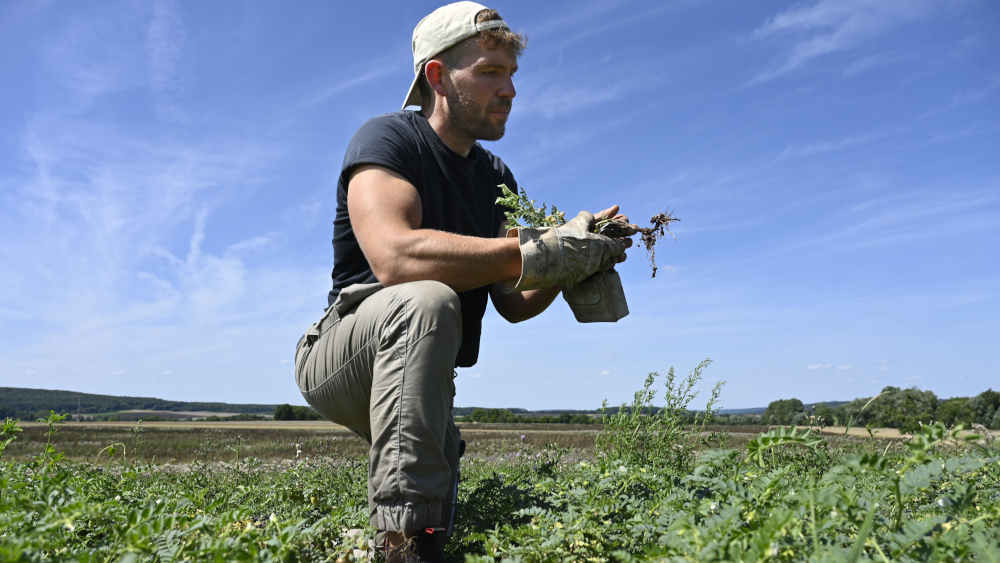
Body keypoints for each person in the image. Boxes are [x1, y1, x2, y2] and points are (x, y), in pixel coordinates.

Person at [293, 2, 636, 560]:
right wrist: (537, 248)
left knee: (437, 468)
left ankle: (422, 520)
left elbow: (515, 302)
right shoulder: (387, 141)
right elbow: (394, 257)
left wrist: (570, 260)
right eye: (489, 72)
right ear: (437, 76)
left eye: (512, 75)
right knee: (427, 300)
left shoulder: (495, 177)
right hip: (343, 352)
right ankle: (405, 550)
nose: (510, 91)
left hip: (422, 368)